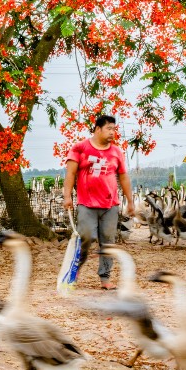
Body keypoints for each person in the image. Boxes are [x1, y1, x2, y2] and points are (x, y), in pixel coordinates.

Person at [61, 114, 135, 290]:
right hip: (86, 203)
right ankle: (74, 272)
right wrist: (67, 196)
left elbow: (123, 177)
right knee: (85, 237)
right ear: (97, 129)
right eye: (109, 128)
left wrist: (130, 201)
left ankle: (105, 277)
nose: (112, 133)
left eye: (114, 129)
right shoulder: (80, 148)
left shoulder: (116, 152)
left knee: (108, 241)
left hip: (110, 204)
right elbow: (70, 173)